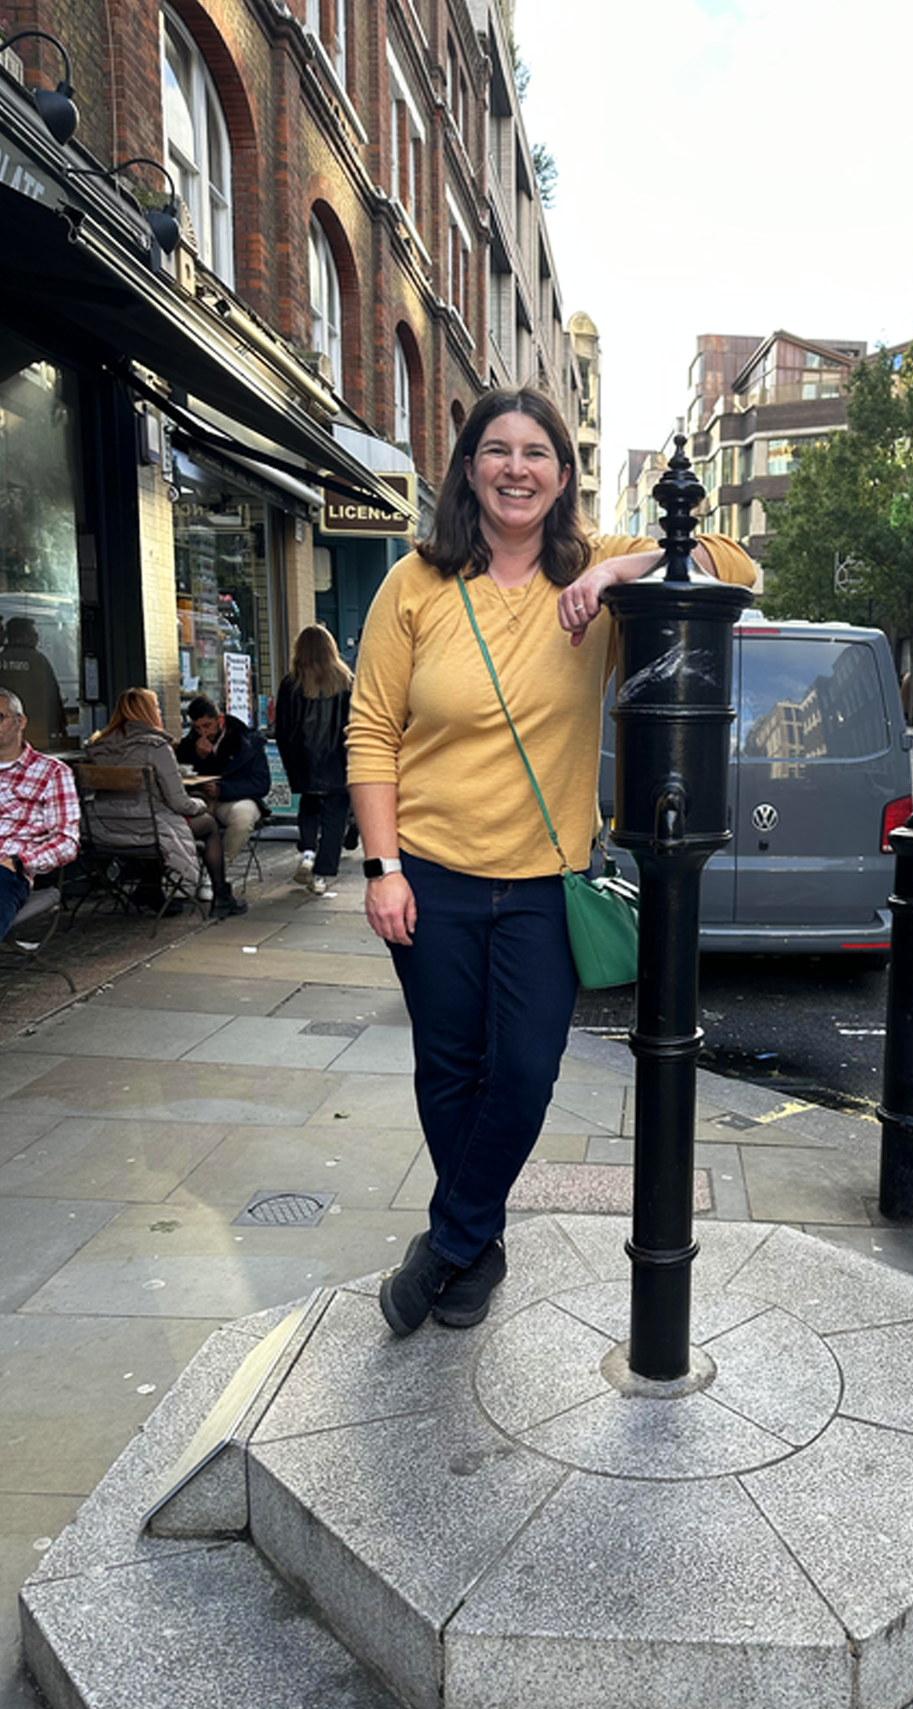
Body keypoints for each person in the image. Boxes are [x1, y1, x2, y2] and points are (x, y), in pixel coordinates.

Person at [348, 387, 756, 1337]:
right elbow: (372, 732)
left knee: (525, 1072)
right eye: (497, 450)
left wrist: (623, 573)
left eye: (537, 452)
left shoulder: (598, 573)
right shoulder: (415, 583)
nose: (516, 468)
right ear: (468, 468)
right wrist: (383, 869)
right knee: (447, 1070)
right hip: (431, 874)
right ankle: (477, 1250)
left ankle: (448, 1245)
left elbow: (739, 565)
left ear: (563, 474)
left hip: (545, 886)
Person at [87, 688, 247, 920]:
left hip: (104, 827)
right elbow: (179, 802)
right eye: (156, 708)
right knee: (208, 825)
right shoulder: (155, 747)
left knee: (161, 822)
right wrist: (200, 804)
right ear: (148, 712)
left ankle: (148, 890)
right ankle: (221, 896)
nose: (160, 711)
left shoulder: (97, 745)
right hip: (147, 827)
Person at [274, 625, 353, 895]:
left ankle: (307, 852)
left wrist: (290, 762)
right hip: (338, 761)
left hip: (303, 760)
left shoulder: (291, 684)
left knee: (308, 807)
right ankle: (322, 875)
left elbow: (282, 729)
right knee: (335, 819)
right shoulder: (345, 682)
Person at [0, 686, 79, 942]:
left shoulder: (52, 772)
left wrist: (20, 861)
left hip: (6, 869)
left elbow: (67, 841)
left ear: (20, 722)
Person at [174, 695, 271, 866]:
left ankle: (218, 868)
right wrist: (199, 758)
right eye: (197, 728)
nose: (203, 733)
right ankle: (189, 867)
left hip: (235, 798)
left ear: (219, 720)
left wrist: (222, 789)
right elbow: (179, 775)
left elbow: (261, 783)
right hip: (199, 798)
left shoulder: (246, 741)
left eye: (207, 726)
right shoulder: (190, 743)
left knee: (242, 818)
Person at [0, 617, 69, 752]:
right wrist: (60, 727)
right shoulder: (38, 660)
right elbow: (53, 696)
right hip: (37, 732)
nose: (36, 637)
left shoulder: (2, 659)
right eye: (33, 633)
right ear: (23, 636)